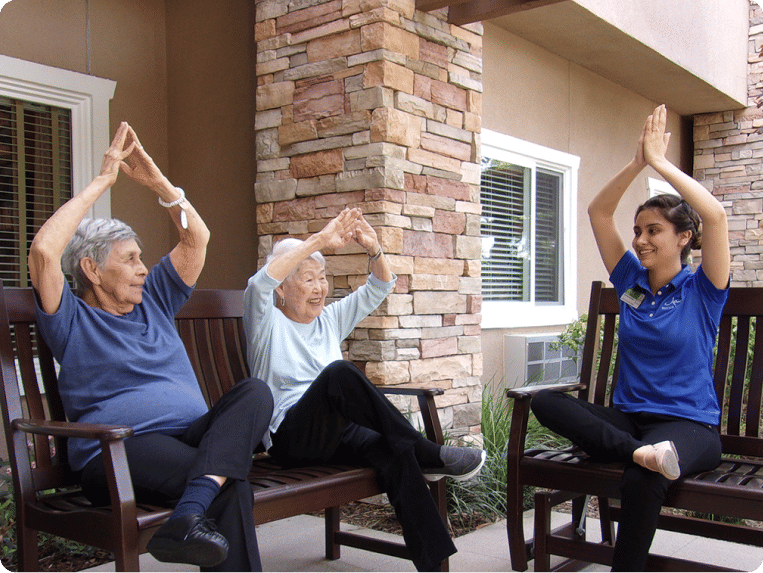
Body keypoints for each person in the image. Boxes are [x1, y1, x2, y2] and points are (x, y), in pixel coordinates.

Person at [28, 122, 273, 571]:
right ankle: (190, 515)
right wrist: (103, 181)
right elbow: (45, 251)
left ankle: (186, 517)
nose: (144, 268)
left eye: (142, 259)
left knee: (255, 392)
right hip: (119, 451)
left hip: (190, 435)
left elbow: (196, 238)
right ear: (92, 270)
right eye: (130, 259)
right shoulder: (71, 320)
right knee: (228, 485)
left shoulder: (154, 298)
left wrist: (159, 184)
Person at [530, 104, 730, 572]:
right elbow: (599, 211)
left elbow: (716, 217)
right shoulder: (632, 283)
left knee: (646, 478)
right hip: (629, 426)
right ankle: (640, 452)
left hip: (689, 428)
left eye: (653, 231)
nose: (640, 240)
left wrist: (661, 164)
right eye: (638, 230)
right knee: (546, 402)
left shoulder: (704, 289)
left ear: (683, 239)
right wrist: (636, 162)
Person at [243, 207, 486, 572]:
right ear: (282, 287)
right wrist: (319, 240)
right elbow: (257, 285)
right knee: (339, 373)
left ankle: (433, 564)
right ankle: (427, 451)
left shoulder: (328, 320)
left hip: (336, 436)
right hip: (290, 439)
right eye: (307, 279)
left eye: (322, 278)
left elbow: (380, 286)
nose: (319, 288)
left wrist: (374, 249)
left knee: (391, 447)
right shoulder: (265, 323)